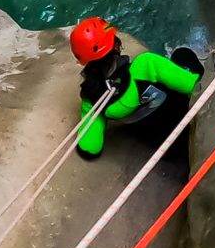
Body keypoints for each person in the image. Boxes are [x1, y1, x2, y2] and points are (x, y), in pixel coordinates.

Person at [69, 17, 205, 159]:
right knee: (182, 54)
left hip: (164, 144)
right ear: (115, 45)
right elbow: (193, 86)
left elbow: (90, 148)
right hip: (185, 124)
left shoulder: (92, 97)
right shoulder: (145, 66)